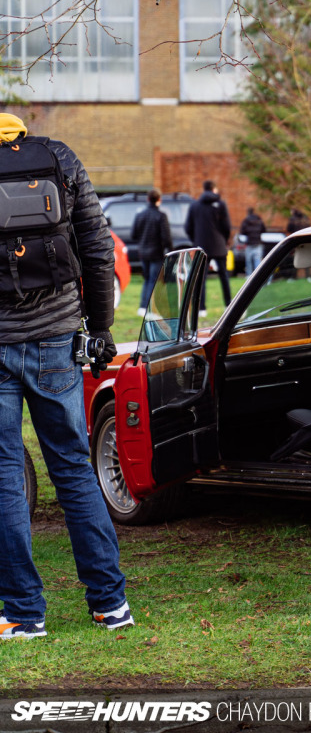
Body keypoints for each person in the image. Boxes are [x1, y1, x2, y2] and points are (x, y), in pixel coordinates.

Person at [0, 112, 131, 639]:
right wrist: (99, 327)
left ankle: (22, 614)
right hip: (56, 338)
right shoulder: (61, 158)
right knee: (74, 469)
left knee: (5, 477)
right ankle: (110, 604)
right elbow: (98, 250)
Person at [184, 180, 231, 315]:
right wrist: (224, 240)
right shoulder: (221, 205)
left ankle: (201, 309)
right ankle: (228, 304)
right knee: (224, 276)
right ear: (214, 189)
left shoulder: (194, 206)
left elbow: (188, 227)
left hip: (202, 246)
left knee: (201, 279)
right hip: (219, 246)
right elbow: (226, 226)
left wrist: (196, 240)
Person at [130, 189, 172, 315]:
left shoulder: (140, 215)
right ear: (159, 200)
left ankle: (142, 307)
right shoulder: (161, 216)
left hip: (143, 253)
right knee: (154, 280)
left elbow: (133, 235)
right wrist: (170, 249)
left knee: (147, 279)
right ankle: (149, 309)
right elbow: (166, 237)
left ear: (148, 199)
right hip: (156, 253)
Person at [238, 207, 267, 275]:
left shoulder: (245, 221)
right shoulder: (259, 220)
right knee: (257, 261)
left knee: (249, 262)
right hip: (258, 243)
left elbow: (242, 231)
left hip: (249, 243)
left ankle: (249, 276)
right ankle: (258, 275)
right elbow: (264, 230)